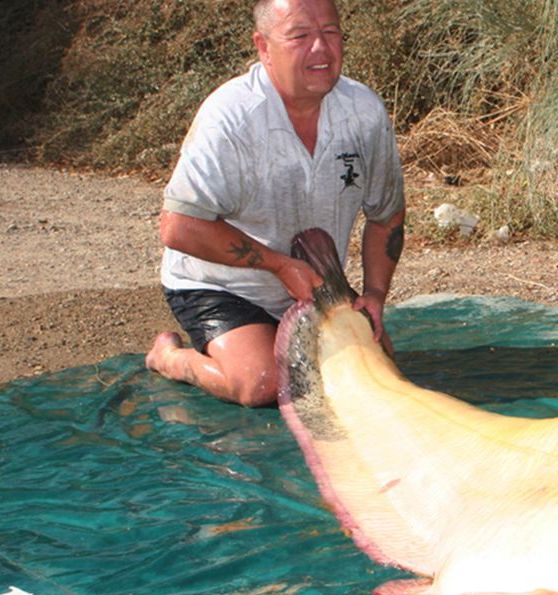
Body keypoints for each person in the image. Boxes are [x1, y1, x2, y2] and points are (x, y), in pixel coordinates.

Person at [145, 0, 406, 407]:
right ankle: (172, 359)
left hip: (314, 279)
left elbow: (387, 217)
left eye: (331, 32)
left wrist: (374, 294)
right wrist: (280, 266)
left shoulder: (363, 112)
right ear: (263, 46)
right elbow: (178, 227)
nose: (320, 48)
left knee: (380, 372)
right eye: (300, 36)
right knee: (263, 384)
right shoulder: (231, 118)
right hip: (220, 283)